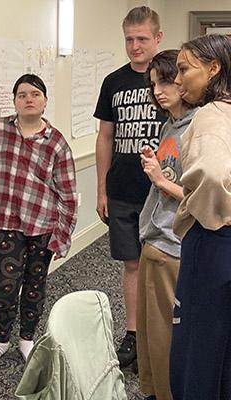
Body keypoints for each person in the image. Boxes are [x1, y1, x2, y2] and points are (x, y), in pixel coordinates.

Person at [0, 74, 77, 365]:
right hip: (7, 222)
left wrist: (62, 235)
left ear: (45, 100)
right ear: (14, 101)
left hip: (42, 225)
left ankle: (26, 338)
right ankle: (1, 339)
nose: (28, 99)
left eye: (34, 94)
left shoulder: (56, 142)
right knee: (6, 284)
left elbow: (68, 195)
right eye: (22, 95)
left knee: (35, 283)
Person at [93, 6, 166, 369]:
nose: (135, 46)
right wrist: (101, 190)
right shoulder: (114, 82)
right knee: (133, 265)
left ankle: (162, 332)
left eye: (142, 38)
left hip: (163, 192)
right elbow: (105, 137)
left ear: (158, 38)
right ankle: (134, 333)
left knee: (165, 264)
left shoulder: (172, 80)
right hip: (122, 189)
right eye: (129, 39)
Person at [170, 34, 231, 400]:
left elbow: (209, 173)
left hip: (212, 243)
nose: (177, 80)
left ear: (213, 68)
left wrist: (215, 215)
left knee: (199, 350)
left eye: (183, 69)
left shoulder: (209, 115)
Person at [136, 50, 197, 400]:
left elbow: (199, 194)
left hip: (174, 243)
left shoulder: (200, 126)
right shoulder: (169, 125)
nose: (158, 90)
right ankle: (152, 391)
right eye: (153, 83)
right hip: (154, 236)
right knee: (147, 333)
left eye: (166, 80)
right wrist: (154, 165)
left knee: (165, 336)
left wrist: (160, 180)